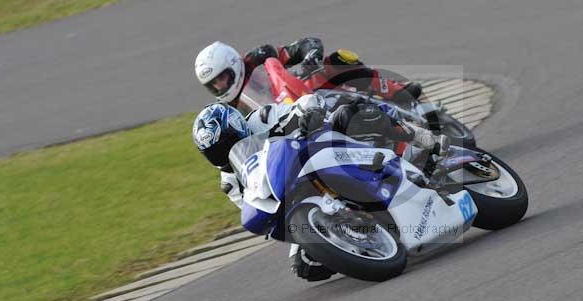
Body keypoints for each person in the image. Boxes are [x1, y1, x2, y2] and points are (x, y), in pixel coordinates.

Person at [192, 96, 449, 282]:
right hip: (297, 193)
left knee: (350, 114)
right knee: (306, 266)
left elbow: (304, 103)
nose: (222, 153)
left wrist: (308, 115)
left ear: (237, 126)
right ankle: (362, 234)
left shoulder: (262, 118)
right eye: (214, 152)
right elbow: (258, 201)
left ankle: (422, 138)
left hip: (325, 148)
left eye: (225, 143)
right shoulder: (229, 182)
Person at [193, 38, 423, 114]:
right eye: (212, 84)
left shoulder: (258, 58)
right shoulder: (226, 109)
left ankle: (395, 91)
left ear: (233, 65)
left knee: (338, 61)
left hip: (302, 99)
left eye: (221, 77)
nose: (219, 85)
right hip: (280, 136)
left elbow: (304, 45)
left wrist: (310, 56)